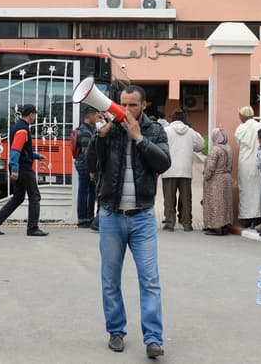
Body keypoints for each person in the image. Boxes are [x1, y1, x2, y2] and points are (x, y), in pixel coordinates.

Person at [90, 84, 170, 359]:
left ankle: (154, 339)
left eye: (133, 105)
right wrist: (100, 137)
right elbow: (91, 163)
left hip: (142, 217)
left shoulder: (155, 130)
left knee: (150, 280)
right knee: (110, 279)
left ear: (144, 105)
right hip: (111, 215)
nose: (126, 110)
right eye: (122, 104)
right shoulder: (109, 128)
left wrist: (139, 139)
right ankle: (115, 331)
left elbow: (163, 163)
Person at [0, 104, 49, 237]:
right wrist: (15, 169)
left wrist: (37, 156)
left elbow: (24, 150)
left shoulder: (18, 126)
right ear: (31, 114)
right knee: (35, 197)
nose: (35, 117)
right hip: (23, 168)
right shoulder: (22, 129)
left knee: (18, 198)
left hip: (20, 166)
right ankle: (32, 228)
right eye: (34, 114)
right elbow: (15, 150)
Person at [160, 109, 204, 232]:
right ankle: (187, 224)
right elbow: (201, 145)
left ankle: (170, 223)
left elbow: (159, 146)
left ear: (172, 119)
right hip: (186, 170)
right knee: (186, 198)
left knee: (169, 198)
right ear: (184, 119)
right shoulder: (191, 132)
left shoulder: (166, 131)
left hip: (169, 169)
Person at [235, 106, 261, 226]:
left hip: (245, 163)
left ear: (243, 116)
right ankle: (257, 217)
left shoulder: (240, 129)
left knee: (245, 190)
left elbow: (239, 144)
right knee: (258, 190)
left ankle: (246, 218)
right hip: (259, 161)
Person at [202, 128, 233, 236]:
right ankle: (224, 226)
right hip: (227, 178)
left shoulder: (215, 149)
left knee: (216, 204)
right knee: (225, 204)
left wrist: (206, 177)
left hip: (216, 180)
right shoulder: (228, 149)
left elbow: (210, 166)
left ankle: (216, 227)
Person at [74, 106, 99, 228]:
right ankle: (83, 219)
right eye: (95, 116)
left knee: (91, 191)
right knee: (84, 192)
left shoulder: (90, 129)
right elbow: (86, 153)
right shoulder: (84, 131)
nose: (96, 118)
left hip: (86, 165)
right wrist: (91, 170)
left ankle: (89, 217)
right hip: (84, 165)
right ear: (89, 116)